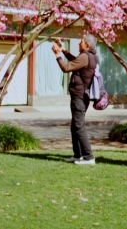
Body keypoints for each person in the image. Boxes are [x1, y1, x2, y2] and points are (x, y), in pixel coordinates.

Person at [52, 35, 99, 165]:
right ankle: (78, 155)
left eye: (82, 41)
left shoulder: (85, 57)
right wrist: (63, 50)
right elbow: (75, 61)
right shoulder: (90, 56)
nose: (79, 43)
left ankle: (89, 157)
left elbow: (66, 68)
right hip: (82, 96)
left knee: (79, 126)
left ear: (87, 45)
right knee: (75, 126)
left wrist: (58, 55)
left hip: (79, 96)